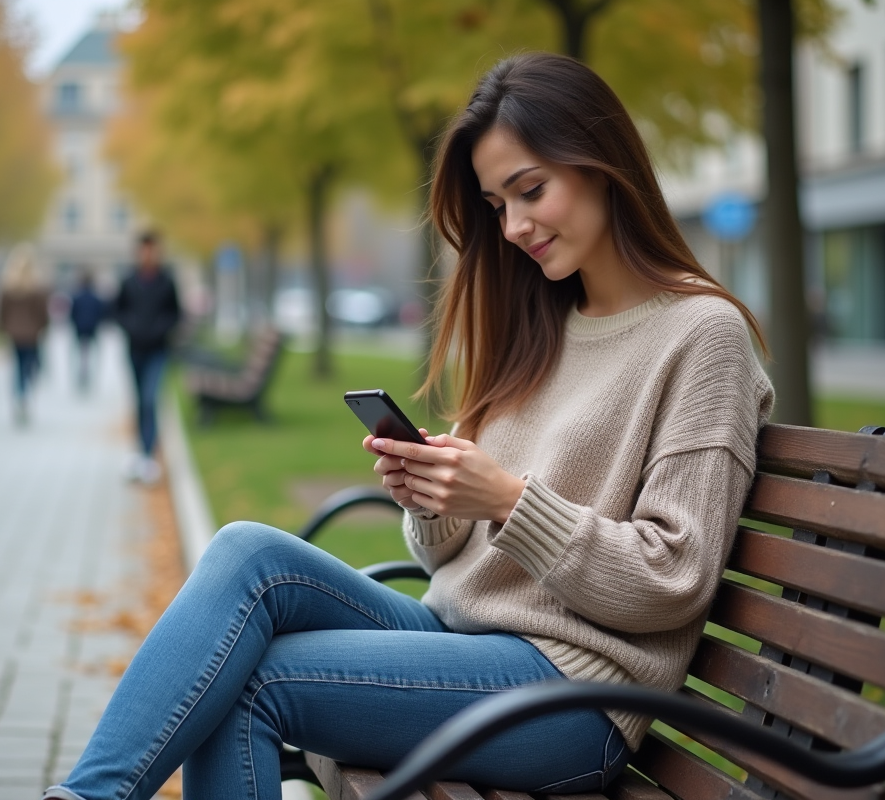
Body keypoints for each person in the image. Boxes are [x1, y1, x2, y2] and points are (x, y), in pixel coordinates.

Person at [42, 53, 774, 800]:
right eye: (496, 205)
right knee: (245, 553)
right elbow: (447, 558)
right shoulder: (542, 323)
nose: (515, 227)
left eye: (531, 191)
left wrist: (507, 500)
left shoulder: (701, 334)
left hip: (570, 697)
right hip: (462, 637)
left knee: (249, 682)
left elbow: (674, 578)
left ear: (603, 163)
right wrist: (429, 497)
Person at [113, 230, 180, 485]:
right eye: (144, 249)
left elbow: (175, 313)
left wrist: (160, 329)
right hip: (135, 349)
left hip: (158, 350)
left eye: (153, 249)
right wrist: (132, 327)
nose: (148, 254)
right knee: (140, 400)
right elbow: (118, 311)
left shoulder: (166, 281)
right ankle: (141, 449)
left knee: (151, 398)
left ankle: (149, 453)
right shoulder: (129, 281)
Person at [0, 244, 49, 425]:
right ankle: (25, 396)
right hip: (32, 334)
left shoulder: (8, 287)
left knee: (17, 368)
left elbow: (2, 312)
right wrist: (43, 328)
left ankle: (19, 396)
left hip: (14, 334)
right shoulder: (36, 287)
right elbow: (42, 313)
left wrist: (4, 328)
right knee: (29, 367)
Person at [69, 269, 107, 391]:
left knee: (79, 354)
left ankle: (81, 375)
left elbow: (72, 314)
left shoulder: (76, 297)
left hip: (80, 329)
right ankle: (89, 375)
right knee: (93, 354)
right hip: (92, 329)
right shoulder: (96, 298)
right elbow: (101, 314)